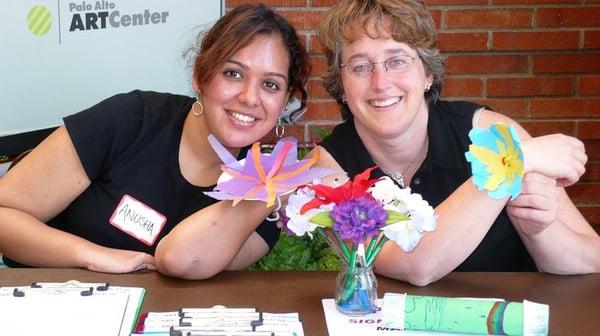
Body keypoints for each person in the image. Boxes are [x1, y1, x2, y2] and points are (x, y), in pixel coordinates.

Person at [0, 4, 309, 279]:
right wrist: (90, 256)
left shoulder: (260, 206)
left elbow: (185, 264)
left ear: (284, 103)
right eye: (233, 74)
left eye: (271, 84)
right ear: (200, 76)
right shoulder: (131, 120)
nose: (249, 97)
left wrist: (266, 190)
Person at [315, 0, 600, 285]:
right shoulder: (327, 166)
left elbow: (592, 257)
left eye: (398, 61)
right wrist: (509, 164)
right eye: (360, 67)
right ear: (341, 85)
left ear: (427, 73)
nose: (380, 82)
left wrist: (540, 232)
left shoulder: (493, 133)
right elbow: (412, 264)